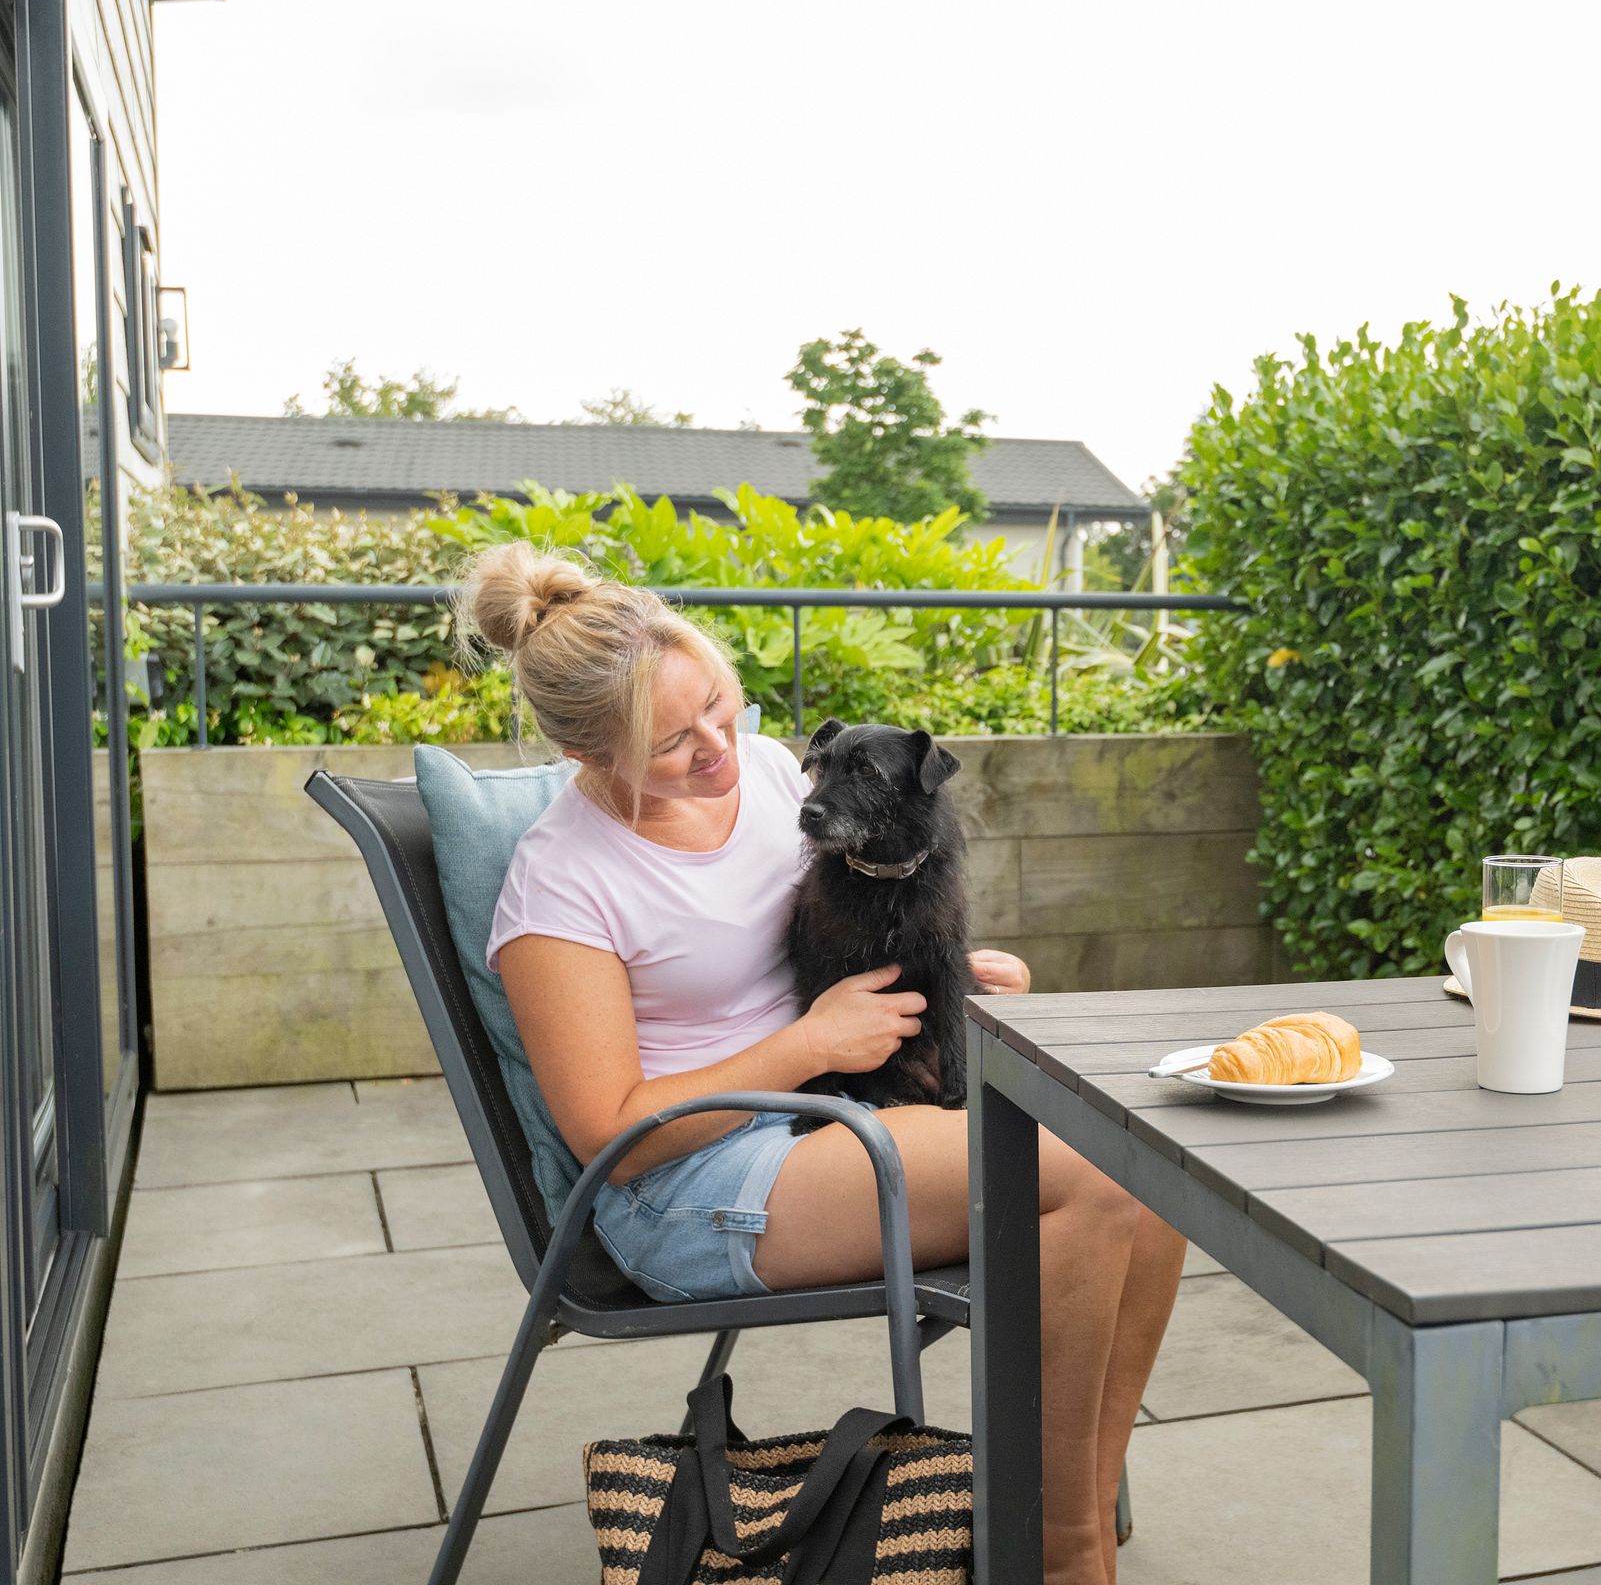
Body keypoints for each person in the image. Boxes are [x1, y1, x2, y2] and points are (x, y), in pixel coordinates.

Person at [460, 541, 1182, 1585]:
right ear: (591, 756)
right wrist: (810, 1045)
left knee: (1150, 1170)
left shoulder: (758, 774)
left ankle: (1056, 1520)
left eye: (719, 703)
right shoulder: (564, 886)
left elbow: (838, 924)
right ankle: (1061, 1557)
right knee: (1094, 1179)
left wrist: (944, 978)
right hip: (693, 1180)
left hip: (828, 1107)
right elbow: (611, 1137)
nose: (719, 746)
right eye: (670, 742)